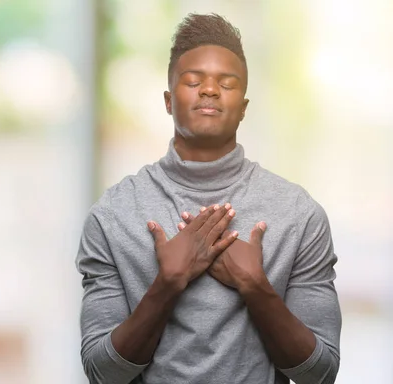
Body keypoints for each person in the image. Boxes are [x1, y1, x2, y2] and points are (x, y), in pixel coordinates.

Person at [75, 13, 341, 384]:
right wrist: (168, 282)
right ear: (169, 101)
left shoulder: (299, 214)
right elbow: (101, 372)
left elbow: (322, 372)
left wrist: (256, 287)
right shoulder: (113, 214)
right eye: (193, 81)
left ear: (244, 108)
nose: (210, 90)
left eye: (226, 83)